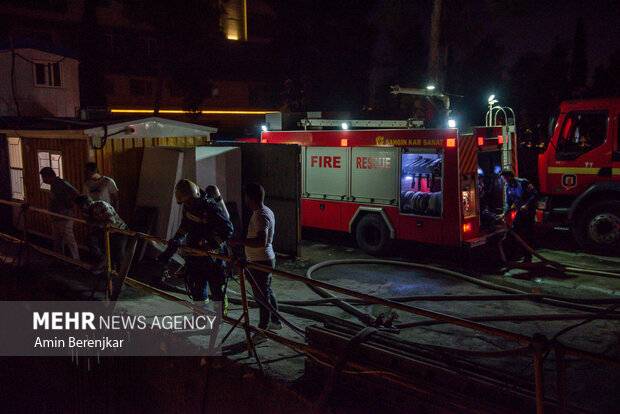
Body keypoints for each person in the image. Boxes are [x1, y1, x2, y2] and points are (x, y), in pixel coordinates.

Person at [157, 179, 233, 315]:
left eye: (191, 201)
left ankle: (221, 318)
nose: (189, 204)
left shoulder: (210, 207)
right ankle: (200, 317)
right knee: (197, 288)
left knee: (218, 290)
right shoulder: (188, 207)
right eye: (185, 202)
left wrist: (210, 246)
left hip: (214, 257)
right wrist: (174, 244)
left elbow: (228, 228)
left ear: (196, 196)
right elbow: (184, 227)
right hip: (196, 256)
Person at [229, 183, 281, 343]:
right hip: (263, 259)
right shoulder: (265, 212)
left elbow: (261, 241)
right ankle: (275, 321)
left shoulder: (260, 215)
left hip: (261, 260)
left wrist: (239, 241)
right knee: (266, 291)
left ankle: (262, 330)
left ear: (249, 199)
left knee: (262, 297)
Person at [75, 195, 128, 274]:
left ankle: (121, 281)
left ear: (88, 204)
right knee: (91, 239)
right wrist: (92, 223)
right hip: (105, 230)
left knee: (119, 257)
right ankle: (103, 260)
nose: (81, 209)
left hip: (119, 231)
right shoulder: (86, 211)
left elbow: (111, 222)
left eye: (82, 207)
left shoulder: (102, 205)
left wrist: (95, 224)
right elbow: (89, 223)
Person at [39, 167, 80, 262]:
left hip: (64, 217)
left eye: (44, 177)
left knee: (69, 240)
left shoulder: (61, 184)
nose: (43, 180)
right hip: (56, 217)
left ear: (49, 177)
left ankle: (76, 260)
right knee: (58, 240)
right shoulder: (54, 185)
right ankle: (59, 259)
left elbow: (75, 192)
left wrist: (69, 204)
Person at [497, 169, 538, 263]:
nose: (503, 181)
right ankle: (515, 255)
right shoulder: (508, 187)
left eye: (504, 179)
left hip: (529, 211)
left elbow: (535, 194)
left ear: (509, 177)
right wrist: (504, 213)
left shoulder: (523, 182)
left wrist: (527, 205)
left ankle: (528, 257)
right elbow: (508, 202)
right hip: (520, 210)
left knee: (527, 234)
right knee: (515, 231)